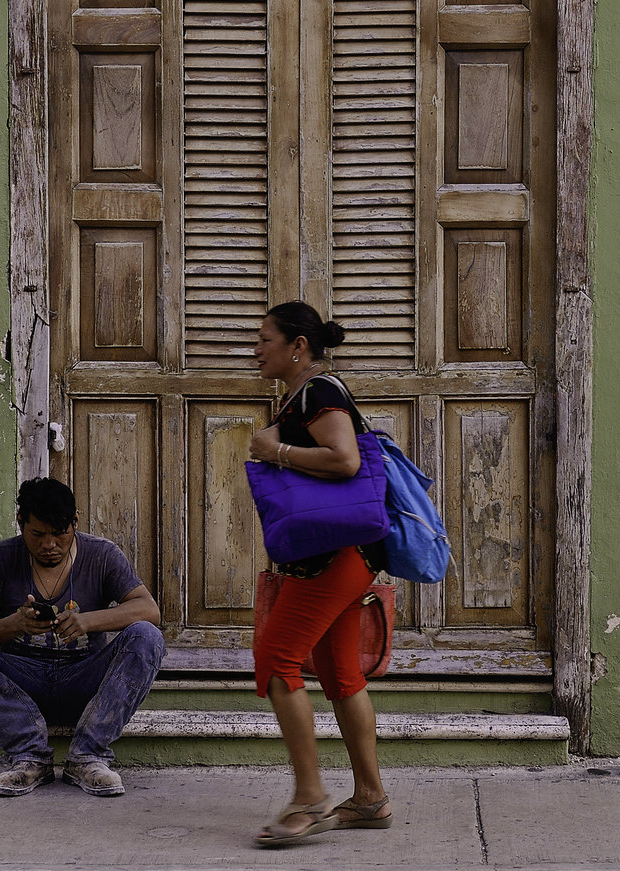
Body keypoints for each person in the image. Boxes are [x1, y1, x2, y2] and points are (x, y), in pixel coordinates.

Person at [245, 300, 394, 846]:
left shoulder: (319, 391)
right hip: (344, 552)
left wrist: (276, 450)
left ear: (297, 347)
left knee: (277, 657)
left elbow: (346, 460)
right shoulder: (301, 394)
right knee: (339, 673)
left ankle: (309, 795)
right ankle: (370, 797)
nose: (255, 349)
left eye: (265, 339)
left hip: (339, 554)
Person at [0, 477, 165, 797]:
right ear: (21, 523)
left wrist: (88, 621)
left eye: (60, 534)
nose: (49, 545)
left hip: (86, 682)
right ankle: (30, 757)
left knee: (147, 636)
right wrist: (14, 625)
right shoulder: (0, 557)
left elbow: (149, 610)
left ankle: (88, 757)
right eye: (38, 534)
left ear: (75, 522)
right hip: (22, 684)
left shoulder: (102, 554)